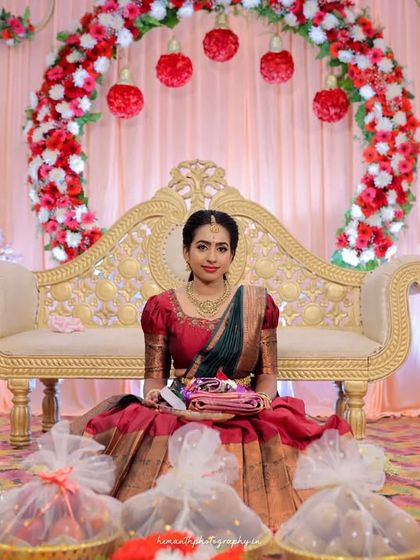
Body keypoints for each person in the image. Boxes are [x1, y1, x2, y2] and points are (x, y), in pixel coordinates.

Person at [71, 209, 351, 529]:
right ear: (186, 252)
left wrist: (259, 400)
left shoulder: (257, 303)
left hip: (240, 406)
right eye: (202, 246)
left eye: (222, 248)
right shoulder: (162, 306)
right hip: (180, 404)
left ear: (232, 255)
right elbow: (154, 376)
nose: (212, 257)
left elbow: (268, 374)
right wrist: (155, 395)